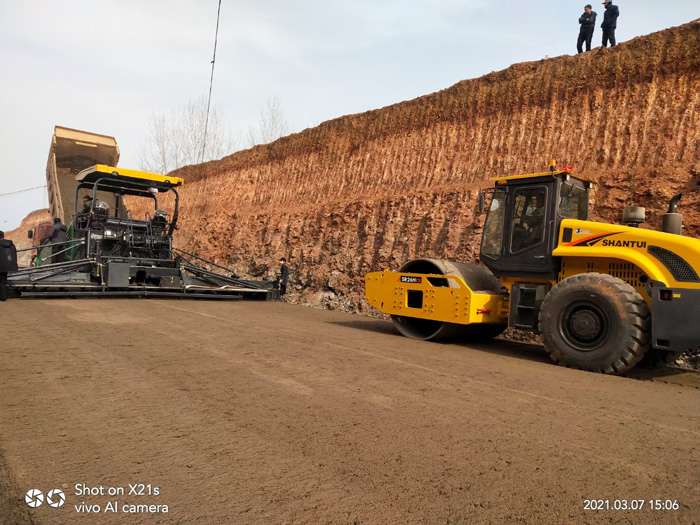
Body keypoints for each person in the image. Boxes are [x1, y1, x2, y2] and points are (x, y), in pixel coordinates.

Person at [0, 231, 18, 301]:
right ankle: (3, 297)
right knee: (3, 281)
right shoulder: (11, 244)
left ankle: (2, 297)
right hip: (7, 265)